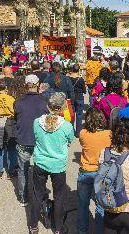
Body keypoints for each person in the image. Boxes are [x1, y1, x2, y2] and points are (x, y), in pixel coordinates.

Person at [29, 92, 75, 234]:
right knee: (59, 196)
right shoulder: (66, 126)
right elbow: (70, 140)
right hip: (57, 165)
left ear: (48, 106)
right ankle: (58, 228)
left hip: (40, 162)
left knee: (37, 194)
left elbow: (36, 138)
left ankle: (33, 226)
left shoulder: (37, 122)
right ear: (62, 108)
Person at [13, 75, 49, 207]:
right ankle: (40, 194)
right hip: (39, 140)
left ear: (25, 84)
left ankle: (23, 197)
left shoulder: (18, 102)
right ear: (38, 84)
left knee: (23, 170)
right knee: (41, 169)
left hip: (23, 138)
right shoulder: (44, 101)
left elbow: (16, 119)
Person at [77, 108, 111, 234]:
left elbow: (82, 144)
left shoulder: (83, 133)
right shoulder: (109, 134)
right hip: (101, 171)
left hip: (85, 170)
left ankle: (82, 231)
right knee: (100, 206)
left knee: (82, 205)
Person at [0, 79, 17, 179]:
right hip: (8, 121)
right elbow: (14, 111)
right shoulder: (10, 98)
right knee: (10, 146)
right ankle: (11, 171)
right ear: (6, 88)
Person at [69, 64, 87, 136]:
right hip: (79, 98)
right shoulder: (81, 79)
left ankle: (71, 131)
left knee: (71, 115)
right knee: (79, 115)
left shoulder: (68, 78)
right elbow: (84, 90)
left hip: (71, 98)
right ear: (79, 70)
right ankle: (78, 132)